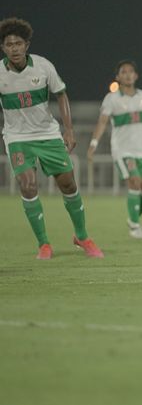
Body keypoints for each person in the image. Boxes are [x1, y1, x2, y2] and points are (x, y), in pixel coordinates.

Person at [0, 17, 103, 259]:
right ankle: (43, 244)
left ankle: (81, 236)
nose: (14, 48)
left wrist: (68, 129)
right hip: (17, 138)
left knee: (68, 184)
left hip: (48, 134)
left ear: (27, 45)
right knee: (27, 185)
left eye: (18, 43)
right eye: (8, 44)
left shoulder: (43, 66)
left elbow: (61, 94)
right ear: (3, 48)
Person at [87, 60, 142, 238]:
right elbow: (102, 122)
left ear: (136, 76)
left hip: (141, 151)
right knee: (135, 181)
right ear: (118, 77)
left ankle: (133, 218)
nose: (127, 74)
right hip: (122, 151)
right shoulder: (111, 99)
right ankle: (135, 227)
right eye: (123, 72)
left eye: (130, 72)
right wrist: (93, 144)